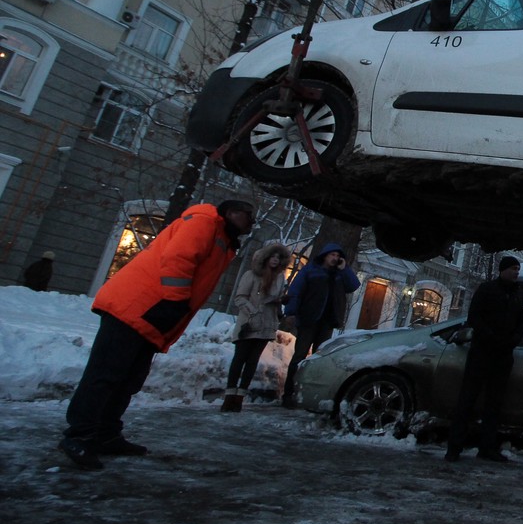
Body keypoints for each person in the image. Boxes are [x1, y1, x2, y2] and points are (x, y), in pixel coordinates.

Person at [60, 200, 255, 470]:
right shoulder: (204, 221)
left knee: (128, 378)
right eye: (248, 215)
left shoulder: (224, 238)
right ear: (231, 213)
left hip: (152, 314)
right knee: (106, 374)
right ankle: (79, 435)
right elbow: (178, 258)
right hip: (135, 306)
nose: (252, 221)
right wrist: (174, 301)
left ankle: (106, 433)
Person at [445, 256, 523, 462]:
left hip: (503, 354)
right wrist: (489, 336)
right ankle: (454, 446)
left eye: (517, 269)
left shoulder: (518, 293)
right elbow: (474, 317)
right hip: (482, 352)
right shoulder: (487, 289)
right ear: (502, 270)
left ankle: (488, 447)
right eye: (512, 268)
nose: (516, 272)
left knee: (495, 403)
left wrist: (514, 339)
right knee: (468, 399)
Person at [280, 242, 359, 407]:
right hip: (309, 319)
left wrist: (345, 269)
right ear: (325, 255)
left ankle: (312, 394)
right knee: (300, 356)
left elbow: (353, 286)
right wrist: (291, 312)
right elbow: (296, 290)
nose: (335, 258)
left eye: (338, 256)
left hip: (327, 321)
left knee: (320, 359)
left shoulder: (339, 274)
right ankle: (289, 393)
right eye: (333, 255)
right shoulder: (311, 270)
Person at [222, 242, 292, 413]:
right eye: (272, 257)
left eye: (278, 258)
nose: (275, 261)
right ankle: (230, 395)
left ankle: (239, 397)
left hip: (267, 323)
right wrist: (252, 312)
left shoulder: (279, 278)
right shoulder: (251, 275)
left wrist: (280, 304)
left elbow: (275, 299)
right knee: (240, 358)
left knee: (253, 361)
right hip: (249, 322)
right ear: (265, 258)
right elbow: (240, 297)